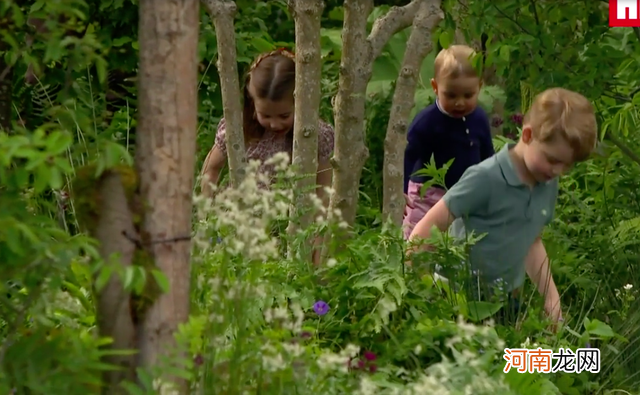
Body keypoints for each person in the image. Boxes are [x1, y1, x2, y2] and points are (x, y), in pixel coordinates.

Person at [407, 87, 598, 330]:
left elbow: (531, 240)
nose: (558, 171)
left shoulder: (546, 182)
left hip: (506, 301)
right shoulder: (485, 178)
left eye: (567, 165)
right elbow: (428, 227)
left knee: (509, 362)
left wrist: (551, 298)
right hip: (457, 301)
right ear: (528, 135)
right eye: (552, 160)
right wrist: (409, 288)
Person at [200, 49, 335, 265]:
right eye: (266, 115)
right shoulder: (238, 129)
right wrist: (206, 215)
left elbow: (323, 194)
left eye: (284, 116)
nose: (275, 124)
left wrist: (317, 243)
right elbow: (212, 168)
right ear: (252, 104)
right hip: (237, 223)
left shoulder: (317, 137)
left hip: (288, 230)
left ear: (302, 103)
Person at [402, 45, 495, 240]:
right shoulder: (427, 121)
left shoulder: (479, 118)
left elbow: (488, 155)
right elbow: (407, 154)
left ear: (479, 86)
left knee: (460, 242)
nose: (460, 102)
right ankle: (413, 267)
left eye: (468, 95)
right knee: (419, 240)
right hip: (427, 194)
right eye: (451, 95)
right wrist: (401, 191)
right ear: (436, 87)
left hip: (466, 194)